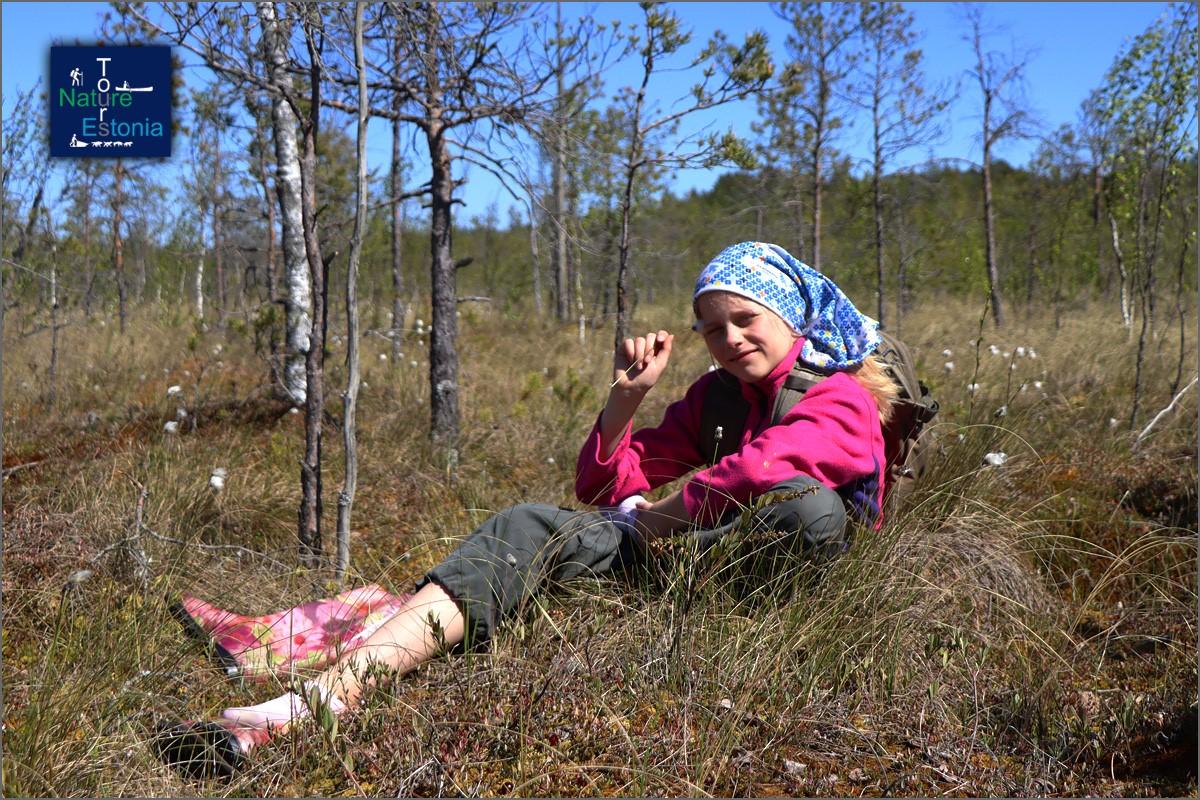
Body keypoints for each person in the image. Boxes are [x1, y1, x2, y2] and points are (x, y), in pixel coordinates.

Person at [156, 241, 897, 775]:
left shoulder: (840, 396)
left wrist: (658, 519)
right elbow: (602, 487)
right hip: (692, 576)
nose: (729, 338)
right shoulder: (718, 398)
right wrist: (625, 402)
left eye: (745, 319)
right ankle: (315, 704)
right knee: (526, 527)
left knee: (807, 511)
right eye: (712, 326)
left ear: (789, 315)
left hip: (788, 603)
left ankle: (384, 637)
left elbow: (768, 468)